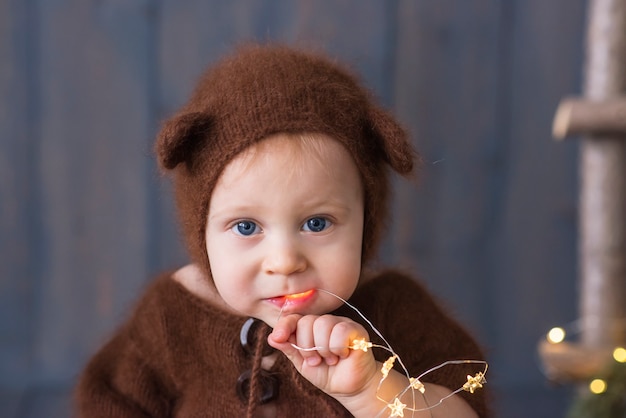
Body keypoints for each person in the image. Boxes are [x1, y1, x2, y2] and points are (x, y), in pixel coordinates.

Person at [76, 43, 491, 417]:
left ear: (365, 224)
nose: (284, 260)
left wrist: (374, 391)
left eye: (316, 223)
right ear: (202, 234)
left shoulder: (395, 312)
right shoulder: (170, 317)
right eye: (245, 226)